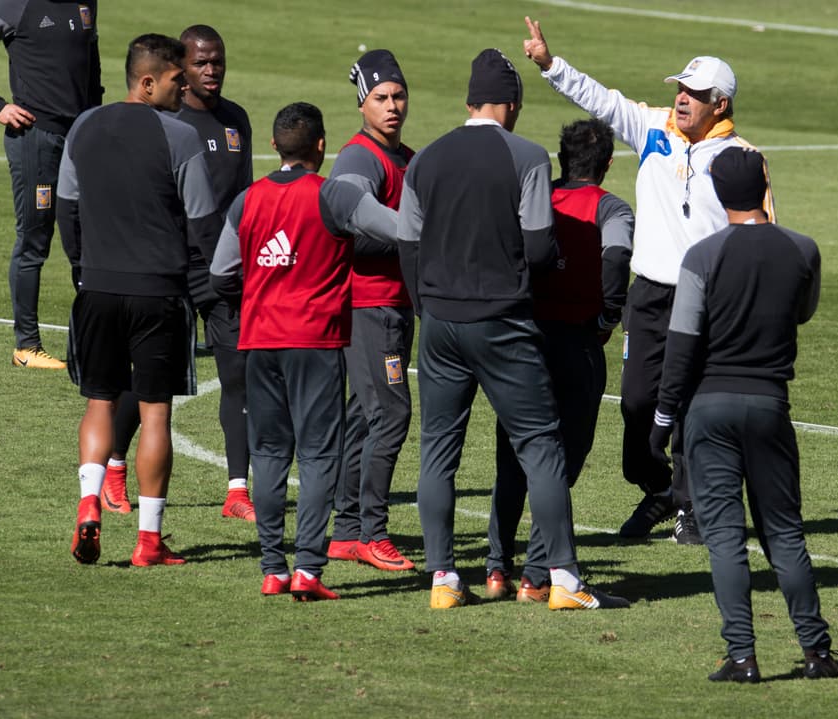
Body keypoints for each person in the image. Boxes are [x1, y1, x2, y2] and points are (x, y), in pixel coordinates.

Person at [524, 16, 774, 543]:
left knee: (692, 405)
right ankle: (659, 489)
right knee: (638, 402)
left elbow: (763, 234)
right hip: (650, 295)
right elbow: (601, 100)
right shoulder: (653, 127)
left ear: (721, 104)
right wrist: (550, 65)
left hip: (709, 300)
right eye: (680, 88)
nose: (682, 98)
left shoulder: (744, 158)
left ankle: (691, 504)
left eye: (695, 93)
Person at [397, 48, 627, 611]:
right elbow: (540, 247)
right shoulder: (525, 156)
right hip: (501, 320)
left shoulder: (425, 158)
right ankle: (563, 580)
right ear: (513, 104)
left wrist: (426, 305)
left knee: (438, 451)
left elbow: (407, 243)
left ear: (469, 101)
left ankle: (444, 580)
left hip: (440, 322)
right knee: (541, 446)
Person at [651, 147, 838, 683]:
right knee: (785, 533)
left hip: (709, 408)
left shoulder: (702, 256)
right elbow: (803, 312)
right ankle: (816, 652)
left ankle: (742, 656)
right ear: (764, 185)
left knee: (726, 539)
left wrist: (663, 417)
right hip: (770, 404)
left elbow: (682, 344)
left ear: (716, 192)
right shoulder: (802, 249)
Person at [210, 101, 400, 601]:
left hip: (261, 343)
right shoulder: (333, 194)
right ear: (321, 145)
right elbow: (399, 229)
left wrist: (259, 293)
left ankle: (273, 567)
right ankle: (309, 570)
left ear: (274, 145)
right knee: (318, 457)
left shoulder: (247, 200)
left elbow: (220, 273)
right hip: (315, 343)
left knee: (270, 455)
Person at [58, 33, 217, 567]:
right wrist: (222, 284)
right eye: (177, 79)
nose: (185, 87)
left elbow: (66, 210)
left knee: (99, 400)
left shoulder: (83, 126)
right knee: (154, 415)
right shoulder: (182, 137)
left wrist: (83, 270)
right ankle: (149, 541)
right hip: (158, 293)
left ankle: (89, 501)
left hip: (97, 288)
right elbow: (204, 226)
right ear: (147, 82)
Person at [101, 24, 256, 523]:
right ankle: (115, 467)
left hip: (223, 268)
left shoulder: (236, 120)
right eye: (200, 62)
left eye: (218, 60)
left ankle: (237, 490)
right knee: (151, 376)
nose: (211, 70)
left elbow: (245, 197)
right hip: (170, 268)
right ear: (180, 70)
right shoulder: (165, 122)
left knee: (238, 374)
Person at [484, 118, 634, 602]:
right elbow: (617, 259)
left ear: (561, 159)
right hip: (577, 345)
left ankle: (495, 569)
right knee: (560, 461)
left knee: (513, 456)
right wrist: (608, 315)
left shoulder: (536, 198)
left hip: (523, 341)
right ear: (607, 165)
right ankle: (535, 573)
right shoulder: (611, 208)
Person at [0, 0, 102, 369]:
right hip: (37, 139)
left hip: (80, 138)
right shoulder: (14, 3)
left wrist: (96, 115)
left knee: (88, 238)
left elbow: (90, 58)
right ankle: (27, 346)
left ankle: (94, 342)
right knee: (35, 240)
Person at [326, 49, 419, 572]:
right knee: (391, 414)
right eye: (381, 97)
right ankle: (372, 532)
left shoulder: (406, 157)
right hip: (370, 308)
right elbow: (347, 219)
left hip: (393, 307)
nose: (392, 106)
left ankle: (345, 531)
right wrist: (412, 235)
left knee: (364, 416)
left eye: (399, 96)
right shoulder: (361, 158)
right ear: (362, 104)